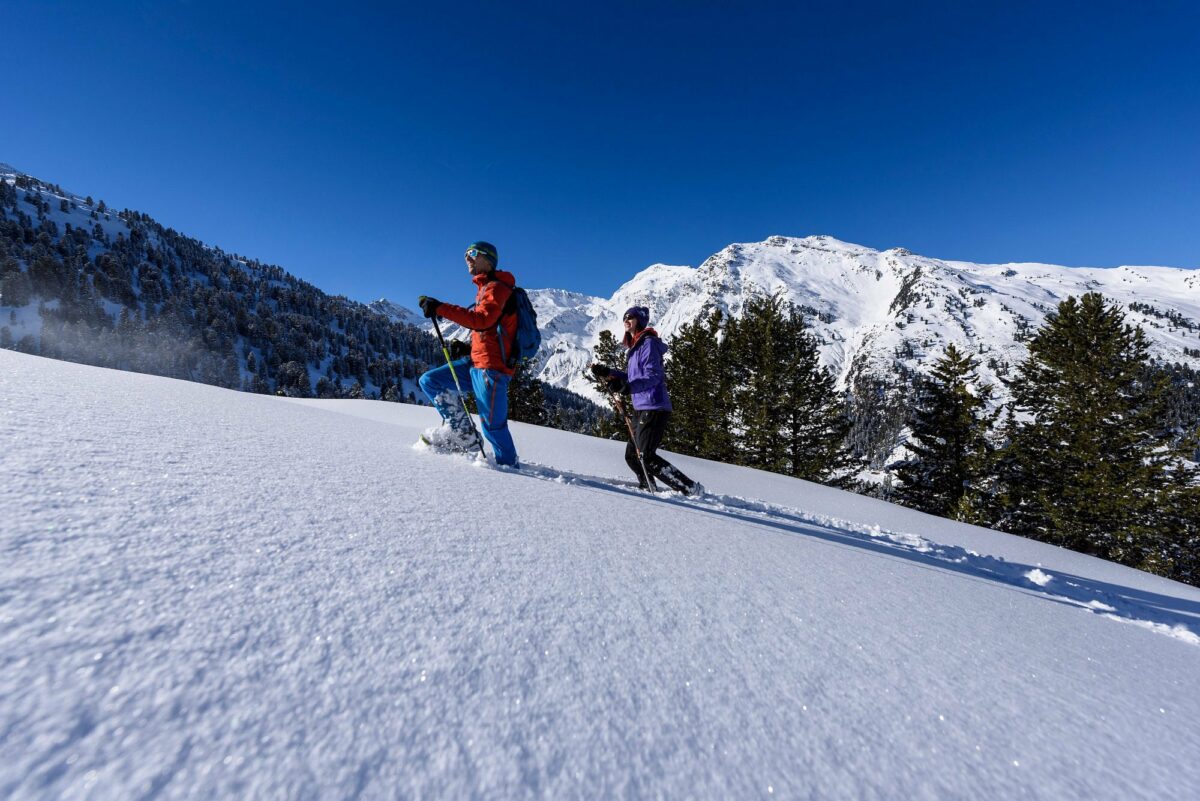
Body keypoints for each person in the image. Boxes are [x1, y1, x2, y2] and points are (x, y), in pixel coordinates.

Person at [416, 241, 519, 467]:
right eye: (465, 255)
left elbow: (482, 320)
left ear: (488, 258)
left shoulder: (497, 288)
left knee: (493, 426)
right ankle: (464, 434)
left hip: (492, 368)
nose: (467, 258)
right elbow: (491, 330)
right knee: (430, 381)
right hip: (476, 362)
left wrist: (440, 307)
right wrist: (469, 349)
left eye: (472, 253)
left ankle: (510, 470)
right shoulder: (484, 288)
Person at [589, 306, 702, 495]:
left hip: (654, 406)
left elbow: (653, 376)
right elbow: (632, 375)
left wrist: (629, 387)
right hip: (640, 407)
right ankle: (648, 488)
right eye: (625, 317)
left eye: (631, 317)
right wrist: (608, 373)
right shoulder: (635, 347)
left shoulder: (648, 343)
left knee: (646, 456)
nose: (626, 320)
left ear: (640, 321)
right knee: (632, 456)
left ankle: (690, 489)